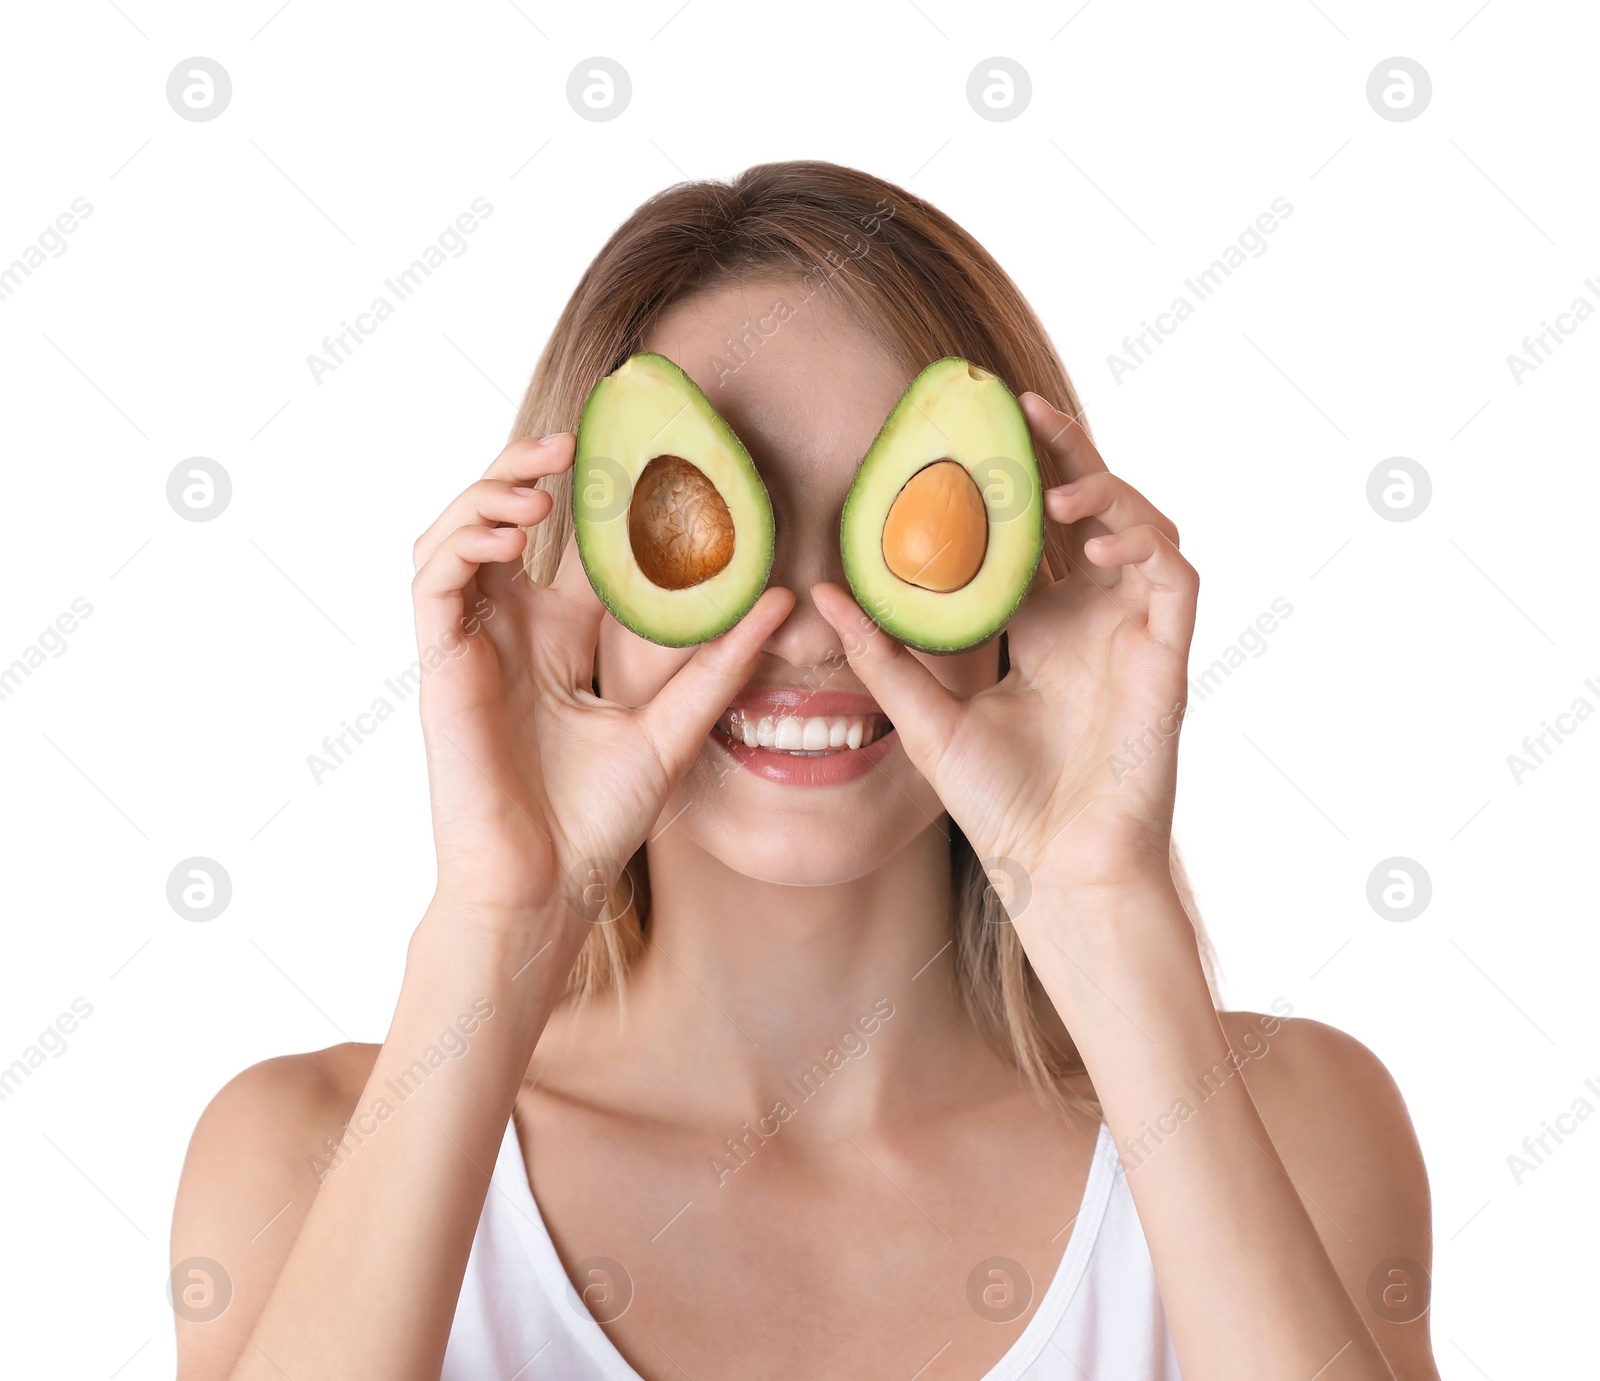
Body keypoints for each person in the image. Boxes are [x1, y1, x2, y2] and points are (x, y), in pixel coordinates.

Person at [171, 161, 1437, 1380]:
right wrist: (498, 924)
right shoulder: (293, 1156)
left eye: (905, 525)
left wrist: (1106, 913)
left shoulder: (1298, 1124)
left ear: (1027, 592)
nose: (813, 624)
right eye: (713, 522)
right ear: (571, 592)